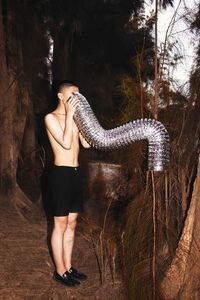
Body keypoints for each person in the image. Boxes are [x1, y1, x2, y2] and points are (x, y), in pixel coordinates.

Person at [44, 81, 91, 287]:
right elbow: (65, 142)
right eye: (73, 95)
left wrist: (84, 122)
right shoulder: (50, 118)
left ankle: (69, 267)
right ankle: (60, 271)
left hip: (75, 173)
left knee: (72, 224)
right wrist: (71, 116)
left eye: (79, 95)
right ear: (61, 97)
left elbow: (86, 144)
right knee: (60, 225)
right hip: (60, 174)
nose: (77, 99)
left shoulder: (76, 118)